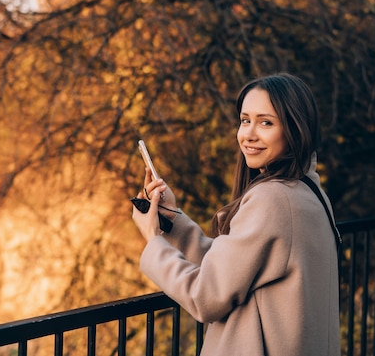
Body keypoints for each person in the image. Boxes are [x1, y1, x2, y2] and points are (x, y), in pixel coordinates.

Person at [131, 73, 341, 356]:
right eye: (245, 120)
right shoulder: (309, 193)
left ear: (295, 129)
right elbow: (236, 269)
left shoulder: (272, 199)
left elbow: (205, 296)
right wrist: (174, 221)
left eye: (266, 122)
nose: (249, 134)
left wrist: (152, 239)